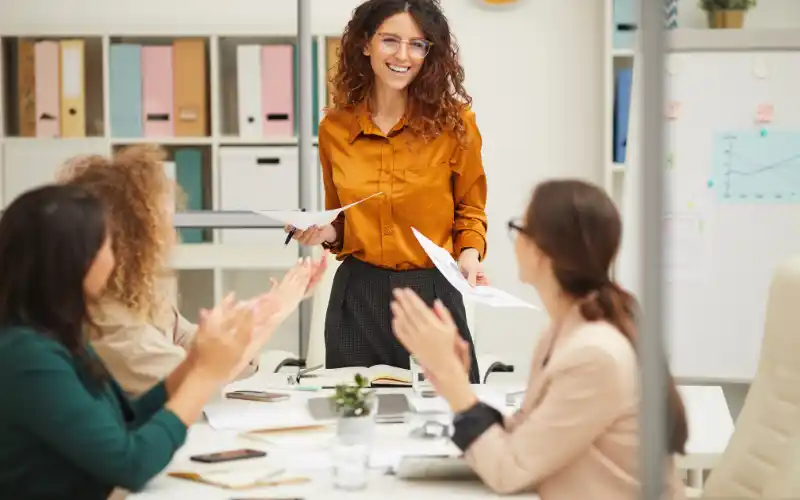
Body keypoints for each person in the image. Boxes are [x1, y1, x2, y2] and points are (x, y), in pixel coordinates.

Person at [0, 184, 314, 499]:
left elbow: (126, 421)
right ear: (74, 261)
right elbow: (131, 463)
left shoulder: (59, 335)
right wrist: (204, 373)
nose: (115, 258)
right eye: (107, 246)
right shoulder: (29, 358)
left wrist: (195, 362)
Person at [390, 179, 688, 499]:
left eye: (522, 228)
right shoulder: (562, 332)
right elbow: (525, 438)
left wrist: (453, 382)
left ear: (545, 250)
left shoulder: (595, 354)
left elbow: (509, 471)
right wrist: (454, 382)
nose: (515, 239)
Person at [288, 0, 487, 382]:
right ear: (366, 44)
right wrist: (324, 231)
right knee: (354, 423)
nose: (403, 55)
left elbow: (470, 209)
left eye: (417, 44)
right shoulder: (335, 128)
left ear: (430, 53)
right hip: (357, 297)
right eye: (390, 41)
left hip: (431, 294)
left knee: (447, 422)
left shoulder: (456, 124)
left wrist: (469, 254)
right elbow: (342, 218)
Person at [58, 144, 328, 396]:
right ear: (131, 240)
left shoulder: (139, 294)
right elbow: (203, 377)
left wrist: (269, 306)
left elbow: (202, 349)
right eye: (163, 225)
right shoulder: (108, 325)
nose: (172, 236)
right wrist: (277, 307)